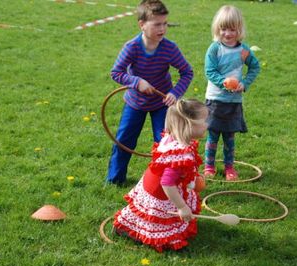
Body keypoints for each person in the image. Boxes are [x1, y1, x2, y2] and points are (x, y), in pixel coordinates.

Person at [106, 0, 193, 184]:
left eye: (165, 24)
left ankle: (163, 183)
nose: (162, 29)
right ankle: (115, 180)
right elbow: (116, 72)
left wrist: (175, 92)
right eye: (157, 24)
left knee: (165, 143)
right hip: (135, 102)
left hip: (162, 104)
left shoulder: (170, 48)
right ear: (142, 25)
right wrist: (137, 82)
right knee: (124, 141)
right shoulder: (132, 47)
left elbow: (187, 72)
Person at [113, 99, 208, 252]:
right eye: (205, 120)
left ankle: (130, 227)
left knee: (148, 213)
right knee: (158, 222)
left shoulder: (175, 137)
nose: (208, 125)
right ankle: (132, 231)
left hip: (152, 182)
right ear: (189, 124)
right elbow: (167, 183)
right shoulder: (179, 152)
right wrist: (182, 207)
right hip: (160, 190)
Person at [204, 5, 260, 181]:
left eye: (232, 29)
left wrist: (244, 84)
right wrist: (223, 82)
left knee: (229, 137)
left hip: (234, 101)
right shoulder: (215, 48)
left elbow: (255, 67)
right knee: (212, 135)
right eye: (223, 29)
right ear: (217, 29)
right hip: (215, 100)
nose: (227, 33)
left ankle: (229, 167)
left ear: (239, 29)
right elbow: (209, 71)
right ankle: (209, 166)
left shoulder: (243, 51)